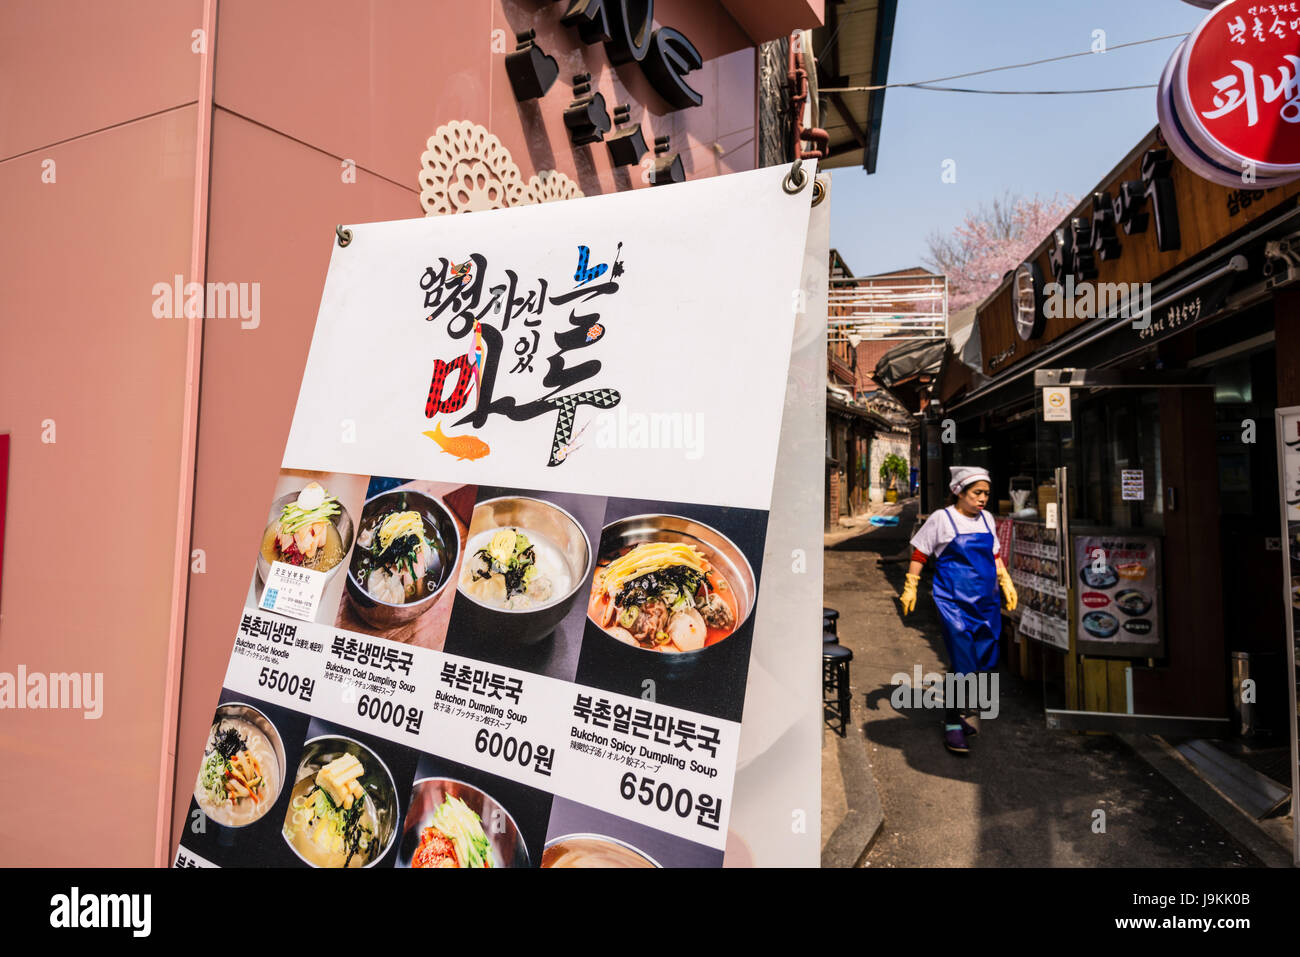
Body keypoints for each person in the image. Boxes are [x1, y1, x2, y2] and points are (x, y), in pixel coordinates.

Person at [898, 466, 1017, 755]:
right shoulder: (943, 518)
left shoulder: (987, 519)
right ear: (958, 492)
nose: (983, 499)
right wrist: (911, 584)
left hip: (986, 603)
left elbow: (995, 555)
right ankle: (952, 722)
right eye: (977, 493)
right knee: (963, 662)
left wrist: (1005, 581)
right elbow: (920, 552)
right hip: (953, 603)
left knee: (984, 662)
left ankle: (956, 713)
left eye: (986, 494)